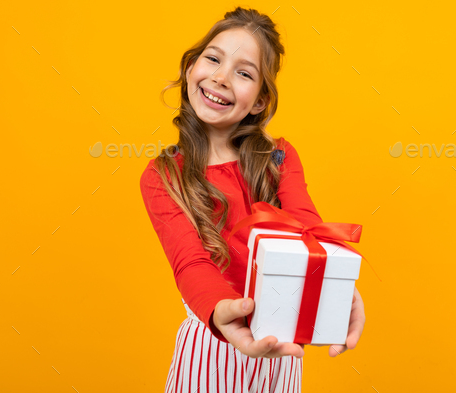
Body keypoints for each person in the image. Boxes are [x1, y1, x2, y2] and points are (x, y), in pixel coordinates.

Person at [139, 6, 366, 392]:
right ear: (191, 67)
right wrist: (223, 310)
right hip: (211, 341)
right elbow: (190, 262)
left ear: (260, 100)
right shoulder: (163, 175)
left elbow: (306, 225)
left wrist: (336, 283)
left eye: (244, 73)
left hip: (281, 341)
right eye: (213, 59)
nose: (221, 77)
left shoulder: (278, 157)